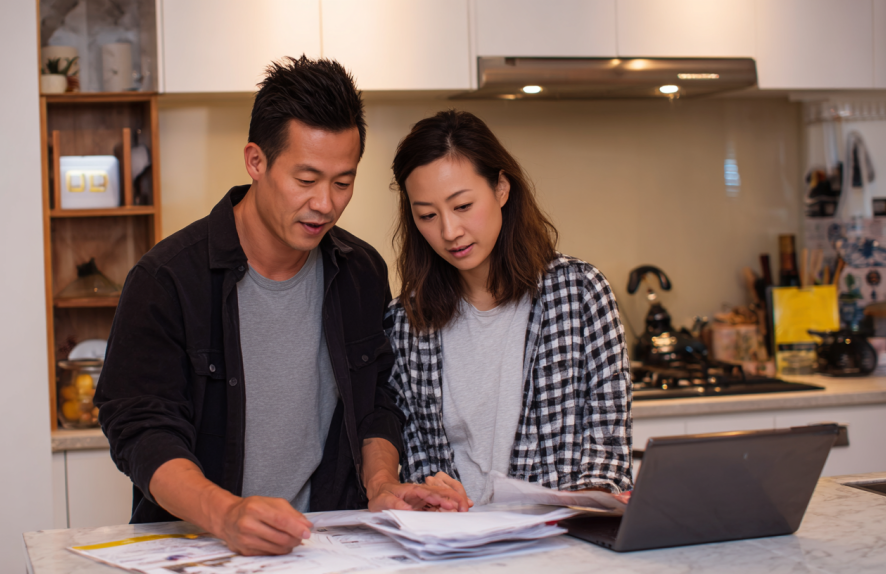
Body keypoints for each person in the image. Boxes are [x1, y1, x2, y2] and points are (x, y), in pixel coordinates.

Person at [94, 56, 467, 558]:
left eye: (343, 181)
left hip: (325, 547)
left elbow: (375, 401)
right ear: (255, 161)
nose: (325, 204)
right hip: (201, 549)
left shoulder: (360, 272)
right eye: (306, 179)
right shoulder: (167, 280)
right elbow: (140, 431)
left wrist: (381, 484)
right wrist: (225, 513)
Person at [385, 110, 632, 506]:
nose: (449, 231)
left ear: (501, 188)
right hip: (456, 550)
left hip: (562, 545)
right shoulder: (405, 323)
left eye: (463, 206)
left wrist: (585, 502)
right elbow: (417, 457)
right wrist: (430, 496)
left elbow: (608, 445)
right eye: (427, 216)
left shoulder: (580, 292)